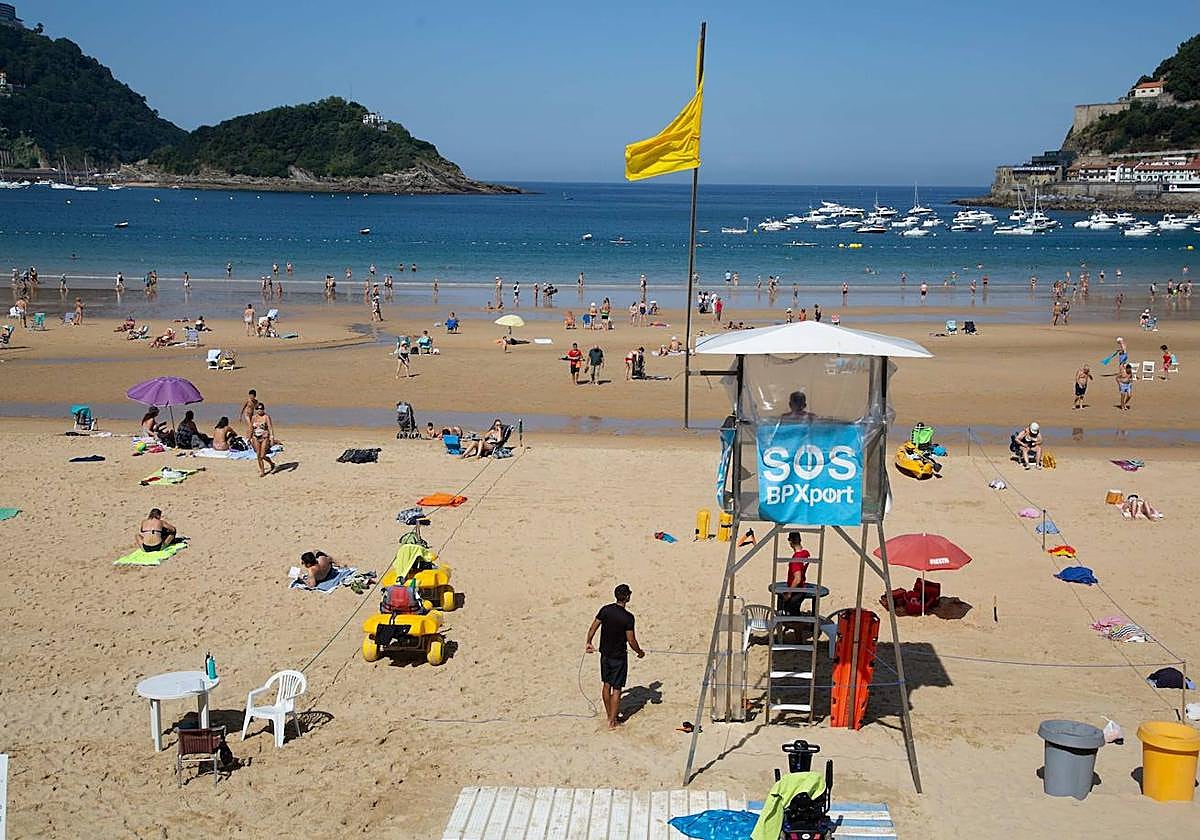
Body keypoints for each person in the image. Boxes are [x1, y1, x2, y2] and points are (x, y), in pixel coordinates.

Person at [585, 584, 645, 730]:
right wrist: (639, 652)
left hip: (605, 654)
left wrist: (588, 642)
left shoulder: (605, 610)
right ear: (627, 597)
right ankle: (612, 721)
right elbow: (631, 640)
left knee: (606, 684)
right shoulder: (628, 617)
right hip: (619, 656)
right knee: (616, 688)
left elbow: (593, 627)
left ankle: (609, 715)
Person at [777, 532, 813, 618]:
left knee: (792, 617)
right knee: (795, 614)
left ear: (790, 542)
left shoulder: (796, 560)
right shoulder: (806, 553)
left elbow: (797, 579)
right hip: (801, 588)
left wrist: (789, 593)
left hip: (796, 591)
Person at [250, 403, 276, 476]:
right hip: (255, 437)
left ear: (263, 409)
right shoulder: (253, 418)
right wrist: (249, 438)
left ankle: (271, 463)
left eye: (261, 408)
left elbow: (270, 428)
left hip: (264, 437)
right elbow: (251, 428)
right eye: (258, 409)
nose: (259, 410)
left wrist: (272, 438)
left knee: (262, 455)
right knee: (258, 455)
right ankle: (262, 471)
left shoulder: (266, 417)